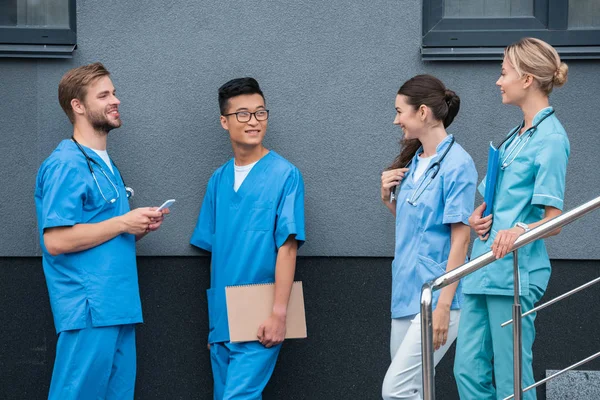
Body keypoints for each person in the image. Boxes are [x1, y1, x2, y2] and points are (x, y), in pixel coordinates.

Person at [34, 62, 169, 399]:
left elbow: (100, 231)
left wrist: (137, 228)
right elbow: (55, 239)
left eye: (114, 92)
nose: (116, 100)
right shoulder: (66, 163)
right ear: (78, 106)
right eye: (104, 94)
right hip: (89, 310)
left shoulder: (104, 164)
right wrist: (123, 221)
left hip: (118, 307)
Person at [454, 37, 570, 400]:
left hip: (515, 274)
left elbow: (555, 219)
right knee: (467, 371)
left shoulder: (551, 139)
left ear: (527, 79)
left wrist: (518, 229)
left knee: (512, 378)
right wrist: (480, 217)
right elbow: (496, 201)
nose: (498, 81)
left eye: (504, 73)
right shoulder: (514, 136)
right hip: (483, 266)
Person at [190, 77, 305, 399]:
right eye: (243, 114)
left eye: (260, 113)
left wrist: (279, 314)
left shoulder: (285, 175)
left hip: (261, 313)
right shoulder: (218, 179)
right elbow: (216, 249)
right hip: (223, 316)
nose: (253, 121)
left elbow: (288, 248)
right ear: (224, 122)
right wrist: (217, 325)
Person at [379, 74, 477, 399]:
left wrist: (443, 306)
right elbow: (418, 228)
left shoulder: (458, 164)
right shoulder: (415, 162)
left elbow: (461, 238)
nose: (396, 120)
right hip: (405, 291)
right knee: (416, 390)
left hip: (435, 297)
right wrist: (387, 200)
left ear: (422, 112)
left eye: (399, 111)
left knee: (396, 391)